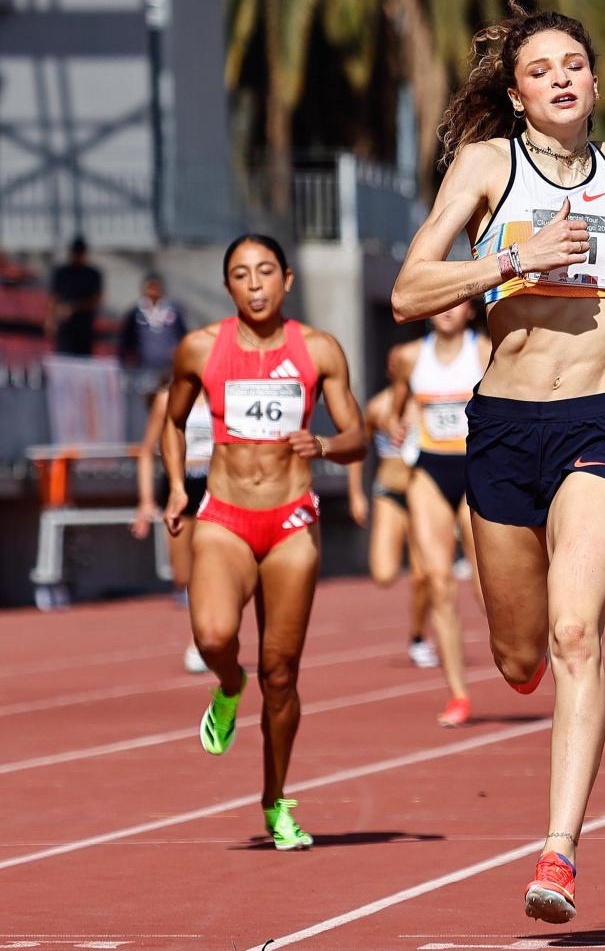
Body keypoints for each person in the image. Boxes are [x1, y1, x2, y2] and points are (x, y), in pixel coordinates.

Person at [390, 2, 605, 921]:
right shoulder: (488, 167)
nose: (563, 78)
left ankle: (559, 853)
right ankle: (519, 671)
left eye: (576, 64)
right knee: (520, 656)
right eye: (542, 69)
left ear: (597, 84)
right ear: (518, 94)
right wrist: (509, 263)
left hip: (604, 427)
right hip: (502, 430)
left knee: (578, 633)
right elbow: (412, 288)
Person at [162, 233, 365, 850]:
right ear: (228, 287)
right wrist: (175, 487)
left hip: (291, 523)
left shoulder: (318, 350)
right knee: (215, 637)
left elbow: (358, 434)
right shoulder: (199, 349)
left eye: (266, 272)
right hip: (223, 516)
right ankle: (227, 686)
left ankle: (276, 801)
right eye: (242, 275)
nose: (255, 285)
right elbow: (172, 424)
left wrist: (325, 445)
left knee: (281, 672)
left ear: (287, 281)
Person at [389, 303, 491, 726]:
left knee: (489, 590)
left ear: (470, 310)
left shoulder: (485, 350)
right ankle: (458, 694)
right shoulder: (408, 357)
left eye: (457, 303)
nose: (447, 311)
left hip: (476, 471)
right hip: (429, 469)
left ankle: (523, 640)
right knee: (437, 581)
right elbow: (397, 407)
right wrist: (396, 424)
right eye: (440, 304)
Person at [347, 386, 437, 668]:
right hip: (388, 492)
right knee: (384, 573)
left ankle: (419, 637)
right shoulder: (377, 405)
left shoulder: (427, 403)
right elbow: (356, 446)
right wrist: (355, 494)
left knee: (424, 575)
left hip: (422, 492)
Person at [131, 377, 212, 673]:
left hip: (215, 485)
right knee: (183, 575)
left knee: (209, 567)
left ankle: (201, 640)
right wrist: (145, 501)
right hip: (179, 486)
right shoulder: (168, 398)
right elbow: (146, 451)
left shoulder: (223, 396)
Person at [118, 272, 188, 373]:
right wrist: (126, 358)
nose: (153, 291)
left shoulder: (173, 310)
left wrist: (178, 351)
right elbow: (126, 338)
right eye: (150, 287)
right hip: (143, 364)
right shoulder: (136, 312)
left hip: (168, 365)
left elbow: (182, 334)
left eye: (156, 287)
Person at [46, 236, 103, 356]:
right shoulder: (62, 273)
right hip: (65, 327)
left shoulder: (92, 274)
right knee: (64, 358)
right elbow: (53, 297)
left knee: (83, 362)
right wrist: (51, 319)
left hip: (84, 327)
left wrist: (74, 308)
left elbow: (96, 300)